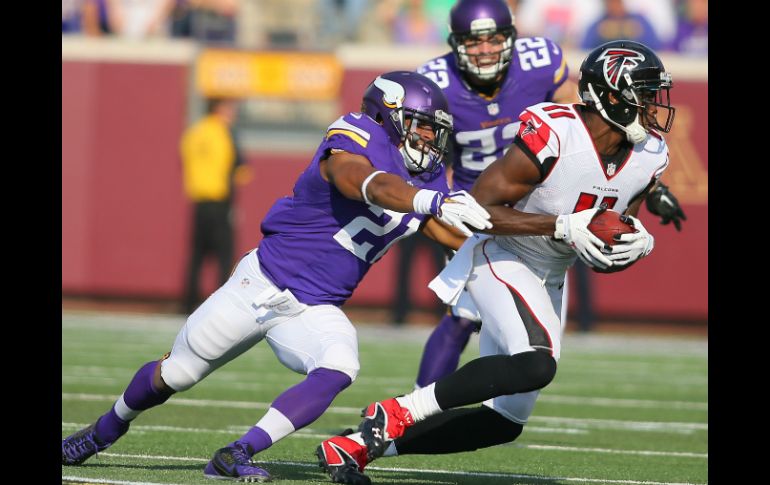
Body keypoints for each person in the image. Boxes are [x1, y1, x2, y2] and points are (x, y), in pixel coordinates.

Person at [61, 71, 492, 481]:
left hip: (314, 306)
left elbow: (443, 230)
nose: (427, 139)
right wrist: (426, 201)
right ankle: (106, 429)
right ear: (388, 115)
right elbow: (359, 181)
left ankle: (238, 452)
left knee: (340, 365)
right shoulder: (355, 134)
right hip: (261, 284)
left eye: (432, 130)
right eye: (419, 127)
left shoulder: (426, 174)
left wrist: (506, 246)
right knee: (178, 374)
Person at [316, 40, 676, 485]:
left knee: (503, 422)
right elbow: (480, 211)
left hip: (552, 274)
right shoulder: (556, 131)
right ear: (610, 93)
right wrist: (562, 226)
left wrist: (633, 246)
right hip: (503, 255)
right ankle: (396, 411)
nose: (655, 106)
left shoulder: (650, 156)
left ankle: (356, 444)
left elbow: (602, 248)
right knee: (537, 364)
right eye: (644, 92)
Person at [411, 0, 580, 389]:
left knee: (531, 327)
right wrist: (444, 208)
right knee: (463, 315)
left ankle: (434, 409)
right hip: (479, 211)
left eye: (493, 39)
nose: (484, 49)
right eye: (473, 41)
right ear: (456, 43)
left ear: (511, 37)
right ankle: (415, 410)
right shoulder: (436, 81)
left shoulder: (540, 63)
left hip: (537, 209)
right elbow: (424, 160)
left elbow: (579, 121)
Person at [180, 97, 248, 314]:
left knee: (197, 255)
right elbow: (239, 168)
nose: (233, 114)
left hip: (199, 200)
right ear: (220, 109)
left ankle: (188, 303)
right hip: (220, 200)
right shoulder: (224, 132)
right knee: (224, 255)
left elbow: (184, 160)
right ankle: (221, 306)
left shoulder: (194, 132)